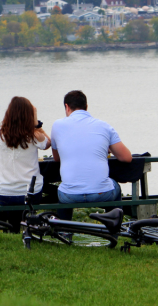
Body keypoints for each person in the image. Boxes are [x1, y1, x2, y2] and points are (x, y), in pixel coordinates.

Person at [51, 90, 132, 220]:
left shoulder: (57, 126)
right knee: (114, 186)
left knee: (65, 190)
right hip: (101, 193)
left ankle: (65, 233)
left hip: (70, 195)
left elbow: (57, 158)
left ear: (66, 106)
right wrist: (106, 148)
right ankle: (113, 230)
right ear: (86, 107)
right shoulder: (104, 126)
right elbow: (126, 157)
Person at [0, 96, 51, 226]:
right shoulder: (34, 135)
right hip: (30, 193)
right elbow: (47, 143)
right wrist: (36, 124)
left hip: (3, 193)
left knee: (13, 211)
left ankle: (14, 229)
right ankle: (30, 226)